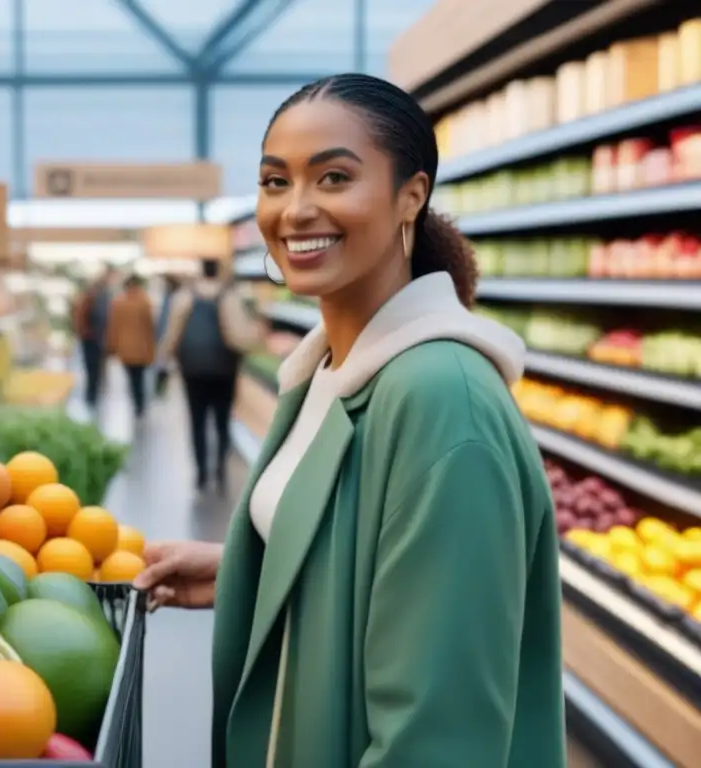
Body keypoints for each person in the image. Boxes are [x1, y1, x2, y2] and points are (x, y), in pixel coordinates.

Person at [135, 73, 565, 768]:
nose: (295, 210)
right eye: (276, 182)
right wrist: (255, 569)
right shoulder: (328, 374)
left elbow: (438, 739)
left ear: (411, 196)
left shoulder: (442, 399)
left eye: (334, 178)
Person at [157, 258, 262, 493]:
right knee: (222, 420)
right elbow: (241, 336)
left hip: (192, 369)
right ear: (218, 270)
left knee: (197, 420)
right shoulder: (230, 296)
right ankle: (220, 470)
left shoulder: (184, 297)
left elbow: (172, 334)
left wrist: (164, 361)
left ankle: (201, 472)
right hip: (224, 369)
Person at [105, 273, 155, 418]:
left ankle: (136, 402)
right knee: (139, 378)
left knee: (132, 378)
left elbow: (113, 327)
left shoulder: (119, 303)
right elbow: (150, 327)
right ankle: (140, 403)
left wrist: (111, 347)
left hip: (125, 349)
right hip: (142, 348)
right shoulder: (144, 302)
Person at [71, 266, 116, 408]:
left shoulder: (94, 296)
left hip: (93, 338)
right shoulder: (92, 297)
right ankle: (91, 398)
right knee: (93, 370)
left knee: (94, 371)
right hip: (92, 339)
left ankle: (93, 397)